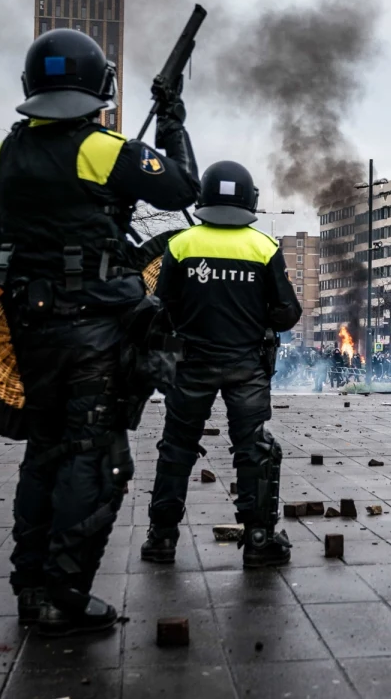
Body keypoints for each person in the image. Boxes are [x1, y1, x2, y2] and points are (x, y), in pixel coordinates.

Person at [0, 28, 199, 636]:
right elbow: (185, 188)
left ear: (32, 88)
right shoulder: (101, 149)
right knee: (96, 458)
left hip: (31, 325)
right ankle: (63, 595)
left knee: (45, 448)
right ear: (100, 88)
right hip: (95, 331)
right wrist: (173, 121)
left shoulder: (3, 154)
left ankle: (31, 590)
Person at [141, 160, 302, 568]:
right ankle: (260, 539)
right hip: (246, 365)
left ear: (204, 199)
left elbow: (163, 308)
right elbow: (287, 314)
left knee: (176, 448)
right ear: (250, 200)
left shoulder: (180, 245)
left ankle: (161, 538)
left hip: (190, 364)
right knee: (253, 450)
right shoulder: (263, 247)